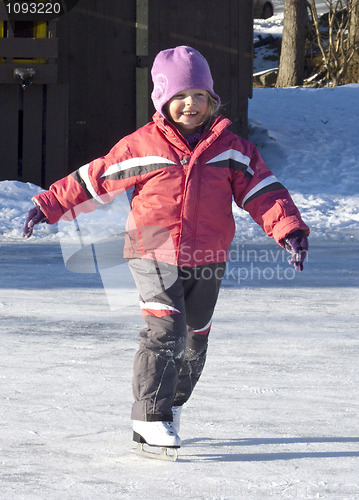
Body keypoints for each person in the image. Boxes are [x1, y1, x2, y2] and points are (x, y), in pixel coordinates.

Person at [23, 46, 309, 453]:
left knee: (195, 336)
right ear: (162, 100)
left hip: (209, 255)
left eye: (198, 95)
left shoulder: (231, 149)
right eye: (179, 96)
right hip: (151, 249)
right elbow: (96, 177)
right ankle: (149, 416)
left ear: (212, 99)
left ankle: (172, 404)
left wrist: (290, 229)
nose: (190, 104)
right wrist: (48, 203)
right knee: (166, 329)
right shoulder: (143, 146)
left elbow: (262, 191)